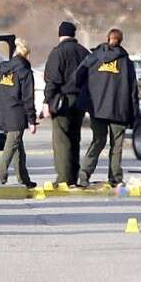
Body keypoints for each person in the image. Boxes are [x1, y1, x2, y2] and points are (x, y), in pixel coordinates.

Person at [75, 29, 138, 188]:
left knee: (98, 141)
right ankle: (115, 178)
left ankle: (84, 175)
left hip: (98, 108)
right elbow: (133, 90)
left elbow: (78, 75)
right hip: (119, 109)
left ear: (107, 38)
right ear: (121, 41)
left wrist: (87, 95)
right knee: (116, 145)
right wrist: (133, 114)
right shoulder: (126, 62)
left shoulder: (94, 57)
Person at [41, 21, 90, 186]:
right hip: (81, 100)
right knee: (75, 138)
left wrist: (47, 101)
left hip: (63, 100)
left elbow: (52, 79)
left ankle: (63, 178)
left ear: (60, 34)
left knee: (62, 140)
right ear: (74, 34)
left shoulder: (58, 52)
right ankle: (73, 177)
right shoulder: (84, 52)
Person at [0, 38, 37, 189]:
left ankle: (23, 178)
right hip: (16, 114)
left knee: (18, 147)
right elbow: (28, 97)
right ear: (27, 54)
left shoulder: (4, 68)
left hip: (4, 113)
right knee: (11, 147)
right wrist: (31, 120)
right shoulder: (24, 71)